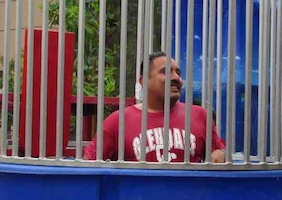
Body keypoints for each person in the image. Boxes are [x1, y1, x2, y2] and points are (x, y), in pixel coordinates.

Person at [83, 51, 226, 162]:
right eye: (166, 71)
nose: (176, 78)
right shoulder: (119, 121)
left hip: (188, 199)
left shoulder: (199, 115)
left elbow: (219, 151)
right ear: (144, 81)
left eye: (178, 72)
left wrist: (219, 154)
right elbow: (89, 163)